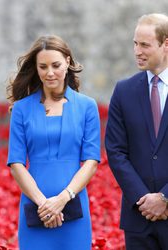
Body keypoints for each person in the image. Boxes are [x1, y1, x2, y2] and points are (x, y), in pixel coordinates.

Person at [7, 35, 100, 250]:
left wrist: (63, 199)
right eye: (43, 66)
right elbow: (16, 163)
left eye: (56, 65)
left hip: (74, 206)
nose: (49, 73)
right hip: (35, 206)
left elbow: (91, 161)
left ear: (67, 62)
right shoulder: (21, 109)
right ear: (36, 68)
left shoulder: (87, 106)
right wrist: (44, 204)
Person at [105, 13, 168, 249]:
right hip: (137, 217)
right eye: (135, 43)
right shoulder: (123, 91)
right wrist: (145, 199)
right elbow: (115, 150)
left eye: (145, 45)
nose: (137, 51)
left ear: (166, 44)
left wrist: (164, 198)